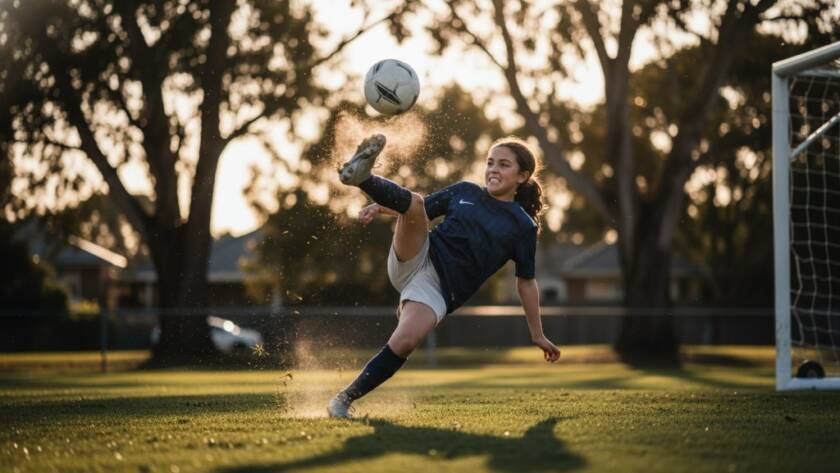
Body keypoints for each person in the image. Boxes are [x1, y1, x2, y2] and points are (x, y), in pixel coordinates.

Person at [327, 133, 561, 418]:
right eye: (490, 163)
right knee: (413, 202)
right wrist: (379, 206)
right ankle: (362, 178)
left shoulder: (522, 226)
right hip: (418, 255)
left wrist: (537, 334)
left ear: (522, 176)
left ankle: (342, 400)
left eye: (503, 165)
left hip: (437, 290)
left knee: (404, 343)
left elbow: (526, 281)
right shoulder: (465, 191)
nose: (493, 170)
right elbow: (418, 209)